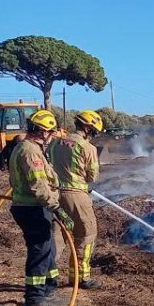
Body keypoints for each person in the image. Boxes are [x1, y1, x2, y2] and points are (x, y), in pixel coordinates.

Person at [7, 109, 73, 306]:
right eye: (51, 132)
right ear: (43, 132)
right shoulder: (30, 152)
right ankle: (34, 297)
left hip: (36, 207)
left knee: (49, 249)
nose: (52, 136)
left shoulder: (32, 148)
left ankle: (48, 291)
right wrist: (58, 209)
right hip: (32, 208)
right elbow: (39, 186)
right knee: (40, 251)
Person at [50, 109, 103, 289]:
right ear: (88, 128)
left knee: (56, 237)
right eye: (94, 131)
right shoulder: (88, 148)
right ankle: (81, 278)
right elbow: (92, 177)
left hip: (54, 196)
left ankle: (48, 278)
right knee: (86, 234)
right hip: (76, 196)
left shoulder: (56, 142)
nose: (94, 135)